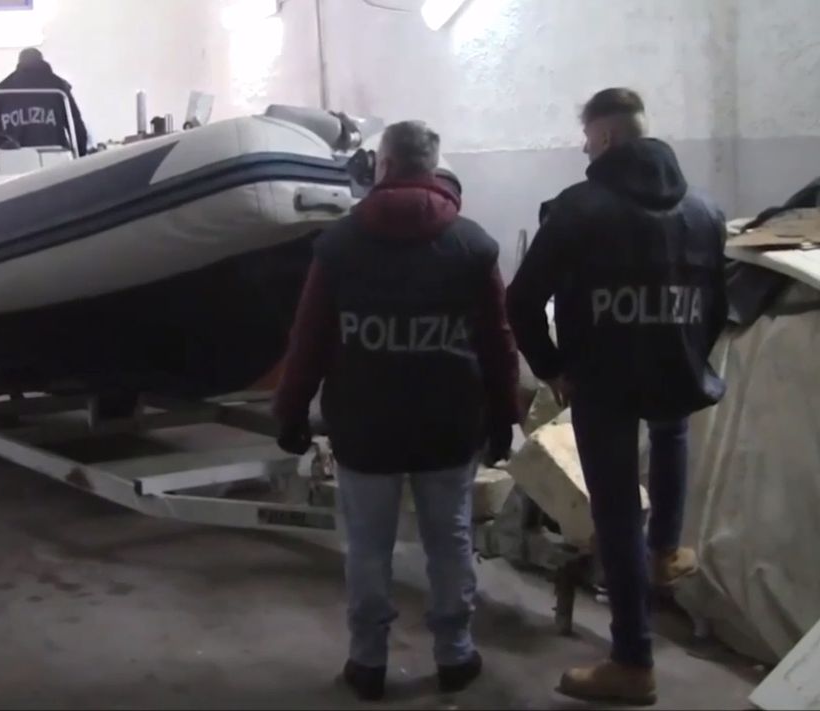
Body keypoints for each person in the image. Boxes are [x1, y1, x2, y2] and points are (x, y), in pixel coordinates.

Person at [272, 121, 521, 701]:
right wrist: (504, 415)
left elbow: (309, 338)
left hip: (365, 424)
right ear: (432, 168)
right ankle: (455, 654)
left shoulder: (339, 245)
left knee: (367, 545)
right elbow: (498, 342)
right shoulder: (473, 245)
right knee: (449, 540)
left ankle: (368, 661)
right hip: (448, 423)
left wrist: (291, 410)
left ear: (382, 166)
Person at [505, 88, 728, 705]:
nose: (584, 150)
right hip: (673, 369)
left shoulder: (576, 209)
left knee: (617, 513)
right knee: (671, 431)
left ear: (604, 137)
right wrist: (690, 354)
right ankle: (665, 550)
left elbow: (520, 300)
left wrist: (552, 368)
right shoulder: (705, 211)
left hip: (601, 380)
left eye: (587, 138)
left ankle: (632, 661)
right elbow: (717, 306)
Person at [0, 48, 89, 156]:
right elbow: (76, 127)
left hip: (12, 158)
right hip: (54, 156)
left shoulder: (1, 90)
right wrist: (81, 154)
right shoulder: (59, 86)